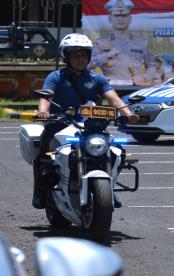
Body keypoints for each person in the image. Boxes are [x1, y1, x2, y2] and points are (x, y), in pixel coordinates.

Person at [32, 33, 138, 209]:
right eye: (75, 56)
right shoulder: (56, 77)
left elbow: (114, 98)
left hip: (90, 126)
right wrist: (43, 112)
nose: (80, 59)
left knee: (117, 151)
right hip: (60, 124)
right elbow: (46, 96)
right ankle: (41, 191)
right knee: (44, 151)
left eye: (83, 55)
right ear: (66, 57)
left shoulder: (97, 78)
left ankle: (109, 189)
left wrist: (127, 113)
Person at [88, 0, 155, 85]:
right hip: (108, 89)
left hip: (134, 88)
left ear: (130, 19)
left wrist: (145, 77)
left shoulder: (142, 42)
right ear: (110, 19)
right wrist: (105, 56)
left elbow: (152, 65)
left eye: (124, 15)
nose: (120, 19)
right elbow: (87, 65)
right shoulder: (100, 43)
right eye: (116, 15)